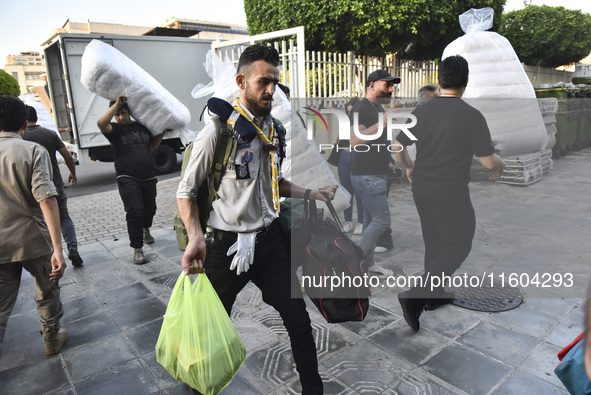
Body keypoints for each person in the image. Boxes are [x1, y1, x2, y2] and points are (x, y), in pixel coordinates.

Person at [177, 44, 337, 395]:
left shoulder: (274, 130)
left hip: (269, 245)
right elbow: (185, 192)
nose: (271, 90)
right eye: (263, 81)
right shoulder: (217, 133)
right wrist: (194, 238)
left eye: (275, 82)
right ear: (241, 81)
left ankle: (314, 389)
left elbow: (274, 183)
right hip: (223, 250)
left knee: (298, 321)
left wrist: (312, 194)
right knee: (210, 332)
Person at [394, 55, 505, 332]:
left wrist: (409, 167)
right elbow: (489, 162)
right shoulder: (471, 116)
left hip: (422, 187)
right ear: (466, 81)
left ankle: (435, 296)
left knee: (435, 241)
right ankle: (417, 295)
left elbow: (396, 147)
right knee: (458, 245)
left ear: (440, 80)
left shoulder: (422, 112)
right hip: (451, 191)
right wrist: (500, 163)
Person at [0, 95, 69, 357]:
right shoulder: (32, 151)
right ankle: (51, 337)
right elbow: (46, 200)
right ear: (24, 124)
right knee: (47, 287)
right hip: (33, 239)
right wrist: (58, 249)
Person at [97, 96, 166, 265]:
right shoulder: (114, 131)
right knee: (135, 211)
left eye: (124, 113)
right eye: (117, 114)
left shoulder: (141, 127)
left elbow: (151, 145)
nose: (121, 117)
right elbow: (100, 123)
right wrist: (117, 104)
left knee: (150, 209)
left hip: (148, 177)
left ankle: (146, 229)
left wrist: (162, 133)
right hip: (127, 177)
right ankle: (137, 249)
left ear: (130, 113)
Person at [348, 69, 401, 277]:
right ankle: (353, 262)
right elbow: (354, 141)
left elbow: (379, 142)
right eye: (386, 85)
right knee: (382, 221)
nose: (390, 89)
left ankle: (368, 265)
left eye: (392, 86)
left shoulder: (377, 108)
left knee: (370, 221)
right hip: (367, 175)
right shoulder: (362, 107)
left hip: (375, 172)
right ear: (372, 86)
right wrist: (384, 122)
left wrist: (388, 162)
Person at [23, 105, 83, 267]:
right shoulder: (49, 134)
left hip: (33, 187)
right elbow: (67, 156)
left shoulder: (20, 137)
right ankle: (72, 249)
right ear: (36, 117)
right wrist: (73, 173)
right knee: (63, 217)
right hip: (55, 184)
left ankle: (50, 256)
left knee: (41, 221)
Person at [336, 97, 364, 234]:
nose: (349, 114)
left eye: (352, 112)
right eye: (347, 112)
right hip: (344, 156)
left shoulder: (364, 123)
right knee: (346, 192)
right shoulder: (345, 122)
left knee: (359, 191)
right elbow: (339, 140)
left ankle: (361, 222)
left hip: (358, 156)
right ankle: (348, 221)